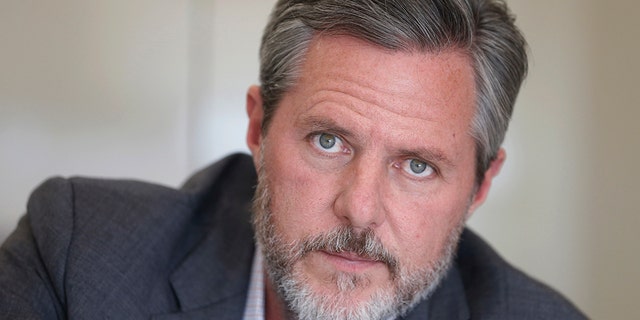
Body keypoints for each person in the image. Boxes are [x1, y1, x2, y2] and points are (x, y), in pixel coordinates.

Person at [0, 0, 586, 319]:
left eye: (417, 166)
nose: (359, 210)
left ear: (481, 187)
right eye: (329, 141)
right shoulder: (79, 256)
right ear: (258, 127)